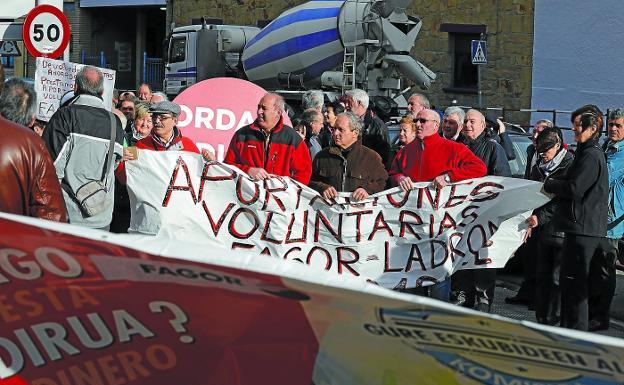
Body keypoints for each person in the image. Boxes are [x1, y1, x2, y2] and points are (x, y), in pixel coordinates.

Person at [389, 108, 487, 300]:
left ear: (436, 125)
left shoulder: (452, 148)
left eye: (422, 121)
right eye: (417, 120)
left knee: (438, 273)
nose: (418, 124)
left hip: (440, 224)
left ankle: (437, 314)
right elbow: (393, 172)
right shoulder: (407, 150)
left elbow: (479, 168)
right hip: (413, 224)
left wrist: (450, 177)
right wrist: (399, 178)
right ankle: (413, 313)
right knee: (412, 271)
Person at [543, 105, 609, 331]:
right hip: (577, 226)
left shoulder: (591, 155)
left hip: (584, 228)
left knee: (576, 284)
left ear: (592, 128)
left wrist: (550, 185)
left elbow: (576, 188)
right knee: (570, 284)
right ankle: (567, 329)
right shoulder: (584, 151)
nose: (574, 130)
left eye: (578, 126)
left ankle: (576, 333)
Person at [43, 65, 125, 230]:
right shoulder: (114, 122)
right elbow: (114, 165)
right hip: (101, 215)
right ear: (102, 92)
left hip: (68, 216)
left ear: (75, 88)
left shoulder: (65, 116)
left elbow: (49, 168)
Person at [454, 109, 511, 312]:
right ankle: (463, 294)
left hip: (485, 214)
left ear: (483, 126)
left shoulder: (494, 150)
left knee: (483, 257)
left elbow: (503, 181)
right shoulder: (457, 147)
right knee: (461, 254)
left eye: (472, 121)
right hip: (460, 214)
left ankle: (483, 298)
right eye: (466, 121)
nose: (468, 125)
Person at [0, 70, 67, 222]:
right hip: (11, 240)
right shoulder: (32, 145)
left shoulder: (31, 145)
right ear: (32, 120)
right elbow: (51, 214)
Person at [525, 127, 573, 325]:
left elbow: (563, 198)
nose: (543, 154)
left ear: (558, 145)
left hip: (560, 227)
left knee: (555, 277)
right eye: (540, 150)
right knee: (541, 272)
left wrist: (540, 217)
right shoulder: (538, 162)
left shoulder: (570, 164)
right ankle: (542, 316)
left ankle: (555, 317)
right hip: (539, 226)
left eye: (547, 150)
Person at [224, 93, 312, 184]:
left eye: (264, 108)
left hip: (279, 197)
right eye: (259, 107)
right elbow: (227, 166)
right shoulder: (242, 135)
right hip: (247, 196)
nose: (259, 111)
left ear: (278, 112)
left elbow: (304, 174)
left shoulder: (293, 139)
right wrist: (248, 170)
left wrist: (285, 191)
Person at [591, 108, 624, 331]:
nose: (612, 128)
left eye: (618, 125)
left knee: (605, 269)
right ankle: (593, 313)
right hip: (596, 216)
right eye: (611, 124)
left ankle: (601, 317)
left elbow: (606, 177)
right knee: (594, 268)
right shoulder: (605, 146)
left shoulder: (621, 152)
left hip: (611, 220)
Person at [310, 112, 387, 200]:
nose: (335, 133)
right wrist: (321, 187)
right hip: (329, 211)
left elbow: (383, 182)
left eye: (340, 130)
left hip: (359, 211)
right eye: (334, 129)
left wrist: (367, 190)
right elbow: (309, 181)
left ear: (355, 133)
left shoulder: (371, 157)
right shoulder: (322, 156)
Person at [135, 101, 199, 153]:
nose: (157, 121)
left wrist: (208, 161)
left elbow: (199, 167)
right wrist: (125, 158)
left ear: (175, 121)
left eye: (163, 117)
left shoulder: (187, 144)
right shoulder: (141, 145)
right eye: (154, 117)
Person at [345, 88, 390, 161]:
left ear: (359, 103)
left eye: (349, 102)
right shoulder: (349, 121)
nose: (346, 105)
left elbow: (384, 155)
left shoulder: (377, 125)